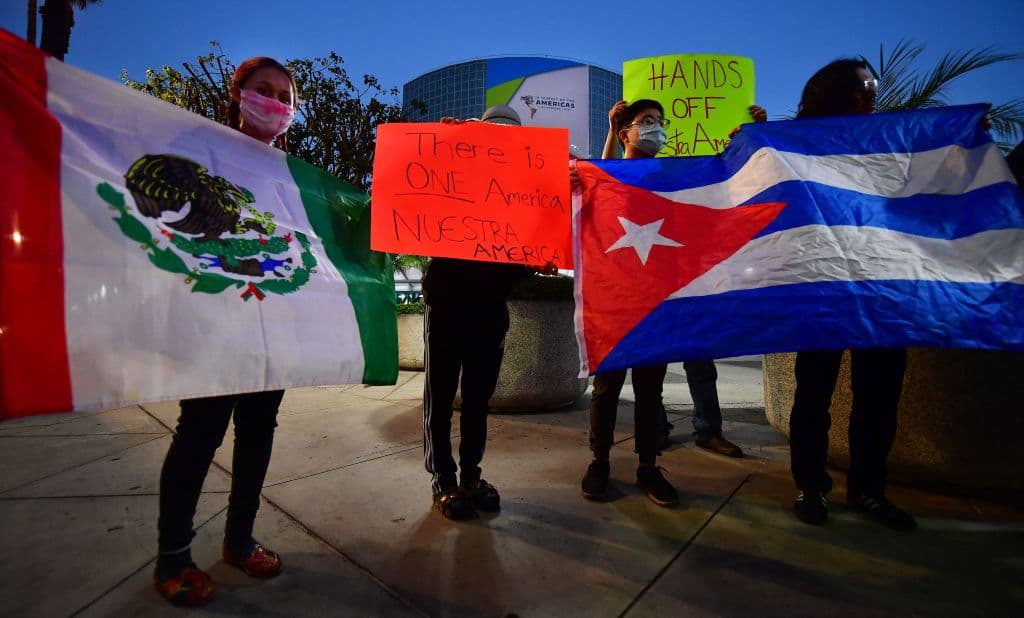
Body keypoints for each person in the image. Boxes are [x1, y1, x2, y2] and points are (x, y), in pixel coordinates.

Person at [153, 57, 297, 606]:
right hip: (215, 323)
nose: (274, 103)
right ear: (237, 95)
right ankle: (173, 558)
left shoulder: (290, 174)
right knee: (200, 435)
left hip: (269, 325)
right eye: (263, 90)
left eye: (285, 97)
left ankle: (239, 540)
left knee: (258, 433)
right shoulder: (203, 150)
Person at [576, 100, 762, 506]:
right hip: (613, 303)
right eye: (646, 122)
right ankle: (600, 462)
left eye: (660, 122)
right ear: (626, 134)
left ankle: (647, 466)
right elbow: (600, 180)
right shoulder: (613, 177)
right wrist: (609, 129)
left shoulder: (670, 179)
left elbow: (721, 187)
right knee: (606, 389)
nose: (656, 129)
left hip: (657, 305)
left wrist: (750, 142)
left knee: (649, 391)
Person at [787, 59, 917, 532]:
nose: (872, 93)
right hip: (823, 288)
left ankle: (868, 490)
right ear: (837, 92)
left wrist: (959, 144)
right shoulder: (801, 143)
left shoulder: (891, 142)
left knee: (879, 395)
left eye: (873, 86)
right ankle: (810, 485)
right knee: (813, 392)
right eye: (865, 85)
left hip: (882, 287)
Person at [422, 104, 556, 521]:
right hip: (446, 305)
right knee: (440, 399)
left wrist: (541, 258)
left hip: (490, 311)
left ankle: (472, 475)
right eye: (494, 130)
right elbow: (421, 190)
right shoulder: (453, 178)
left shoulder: (523, 194)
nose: (502, 137)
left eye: (511, 133)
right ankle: (443, 479)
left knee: (479, 401)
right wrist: (445, 142)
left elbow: (519, 257)